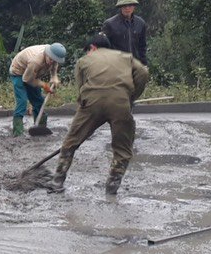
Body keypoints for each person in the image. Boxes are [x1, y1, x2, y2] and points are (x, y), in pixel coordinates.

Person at [50, 34, 150, 195]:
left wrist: (84, 104)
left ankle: (57, 181)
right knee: (122, 149)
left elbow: (81, 87)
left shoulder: (83, 61)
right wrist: (131, 97)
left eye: (88, 50)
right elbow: (143, 73)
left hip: (91, 103)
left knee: (70, 142)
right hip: (120, 103)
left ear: (93, 48)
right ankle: (112, 186)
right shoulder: (126, 57)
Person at [9, 42, 66, 137]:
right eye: (50, 59)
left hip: (33, 74)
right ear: (47, 54)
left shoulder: (53, 58)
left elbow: (54, 66)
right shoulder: (35, 61)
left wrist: (54, 77)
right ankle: (18, 133)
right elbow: (27, 79)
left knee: (39, 100)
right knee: (22, 102)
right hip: (18, 72)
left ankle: (41, 127)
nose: (52, 62)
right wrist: (44, 85)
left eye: (54, 60)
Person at [101, 0, 148, 65]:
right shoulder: (109, 24)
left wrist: (144, 65)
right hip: (116, 66)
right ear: (120, 7)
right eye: (124, 6)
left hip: (135, 65)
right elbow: (103, 47)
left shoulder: (141, 23)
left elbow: (142, 47)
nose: (127, 8)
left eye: (130, 5)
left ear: (134, 6)